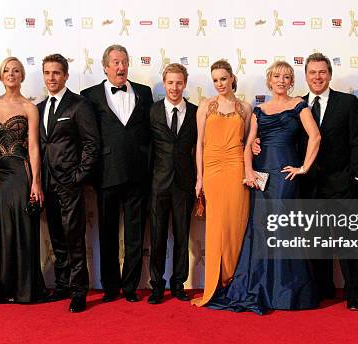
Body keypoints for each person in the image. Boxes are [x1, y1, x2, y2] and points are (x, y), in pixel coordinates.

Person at [207, 61, 321, 314]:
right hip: (261, 178)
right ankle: (263, 288)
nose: (281, 80)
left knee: (283, 231)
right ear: (269, 80)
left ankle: (284, 292)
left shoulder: (299, 106)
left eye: (286, 77)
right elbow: (248, 144)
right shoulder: (259, 109)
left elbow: (316, 136)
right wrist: (248, 171)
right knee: (259, 230)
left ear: (291, 81)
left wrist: (303, 168)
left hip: (284, 176)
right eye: (276, 76)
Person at [253, 53, 358, 310]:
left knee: (346, 241)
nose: (317, 77)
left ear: (329, 74)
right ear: (305, 76)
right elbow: (285, 139)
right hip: (307, 184)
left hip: (340, 183)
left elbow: (357, 142)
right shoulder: (296, 104)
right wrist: (259, 142)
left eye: (322, 72)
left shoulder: (347, 103)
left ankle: (355, 294)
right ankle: (323, 289)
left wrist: (355, 177)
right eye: (312, 72)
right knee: (316, 241)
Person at [81, 45, 153, 303]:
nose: (120, 67)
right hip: (106, 174)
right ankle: (111, 287)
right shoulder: (88, 95)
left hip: (137, 174)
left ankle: (131, 287)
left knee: (135, 234)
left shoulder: (144, 93)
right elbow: (86, 137)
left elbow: (150, 133)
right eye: (115, 62)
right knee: (108, 234)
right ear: (105, 66)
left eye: (124, 62)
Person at [0, 57, 48, 304]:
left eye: (16, 70)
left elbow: (34, 147)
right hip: (0, 172)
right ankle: (2, 286)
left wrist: (36, 182)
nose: (11, 74)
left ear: (22, 76)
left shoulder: (30, 107)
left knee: (24, 225)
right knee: (4, 227)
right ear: (1, 74)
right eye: (7, 70)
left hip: (22, 171)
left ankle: (26, 289)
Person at [38, 54, 99, 313]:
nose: (51, 77)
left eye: (56, 73)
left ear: (65, 76)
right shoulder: (39, 107)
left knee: (74, 238)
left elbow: (91, 144)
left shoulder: (79, 104)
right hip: (47, 183)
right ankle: (62, 285)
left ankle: (78, 291)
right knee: (57, 238)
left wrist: (77, 176)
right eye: (47, 73)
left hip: (69, 183)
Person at [191, 59, 252, 307]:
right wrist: (199, 177)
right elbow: (199, 144)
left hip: (237, 168)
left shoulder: (245, 108)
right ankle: (215, 284)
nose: (219, 84)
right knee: (216, 227)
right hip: (213, 169)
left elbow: (247, 142)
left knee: (236, 226)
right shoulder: (205, 106)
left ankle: (235, 283)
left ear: (232, 78)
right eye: (215, 80)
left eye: (223, 79)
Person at [147, 64, 197, 304]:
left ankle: (179, 284)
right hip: (158, 184)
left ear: (185, 83)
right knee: (156, 237)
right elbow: (146, 149)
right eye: (170, 82)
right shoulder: (152, 111)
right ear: (164, 83)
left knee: (181, 236)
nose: (174, 87)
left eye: (179, 82)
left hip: (185, 184)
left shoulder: (197, 112)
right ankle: (157, 285)